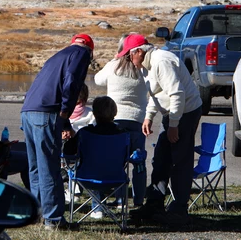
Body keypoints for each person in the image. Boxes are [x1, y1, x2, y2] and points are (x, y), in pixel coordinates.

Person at [121, 34, 203, 227]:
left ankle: (179, 209)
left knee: (180, 160)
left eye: (129, 56)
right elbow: (156, 93)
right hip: (173, 114)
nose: (128, 60)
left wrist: (174, 125)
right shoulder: (146, 65)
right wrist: (149, 116)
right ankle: (155, 204)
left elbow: (177, 93)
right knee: (161, 158)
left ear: (139, 51)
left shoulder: (161, 62)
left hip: (186, 112)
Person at [21, 33, 94, 231]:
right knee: (49, 167)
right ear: (90, 50)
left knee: (35, 166)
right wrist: (65, 111)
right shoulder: (80, 54)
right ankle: (53, 219)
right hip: (47, 112)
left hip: (28, 111)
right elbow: (72, 82)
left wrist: (66, 123)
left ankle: (36, 213)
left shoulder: (57, 56)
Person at [94, 32, 149, 207]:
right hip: (138, 120)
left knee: (115, 161)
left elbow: (98, 80)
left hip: (114, 119)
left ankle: (120, 199)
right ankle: (139, 199)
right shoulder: (144, 68)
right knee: (138, 163)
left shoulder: (113, 65)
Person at [63, 96, 123, 220]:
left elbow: (68, 151)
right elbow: (129, 155)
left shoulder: (85, 133)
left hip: (88, 176)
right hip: (116, 176)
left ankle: (97, 208)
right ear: (115, 113)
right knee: (100, 166)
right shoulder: (123, 134)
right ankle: (100, 206)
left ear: (94, 113)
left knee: (92, 167)